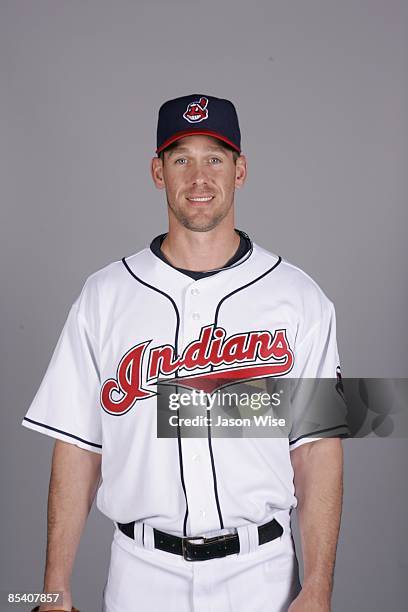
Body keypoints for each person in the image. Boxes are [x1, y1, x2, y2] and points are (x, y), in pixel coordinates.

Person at [23, 94, 349, 612]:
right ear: (158, 172)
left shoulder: (299, 297)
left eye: (215, 158)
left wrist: (319, 587)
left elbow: (316, 450)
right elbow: (78, 445)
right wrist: (52, 586)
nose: (199, 177)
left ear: (240, 171)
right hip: (140, 573)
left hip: (262, 575)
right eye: (181, 159)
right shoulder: (105, 295)